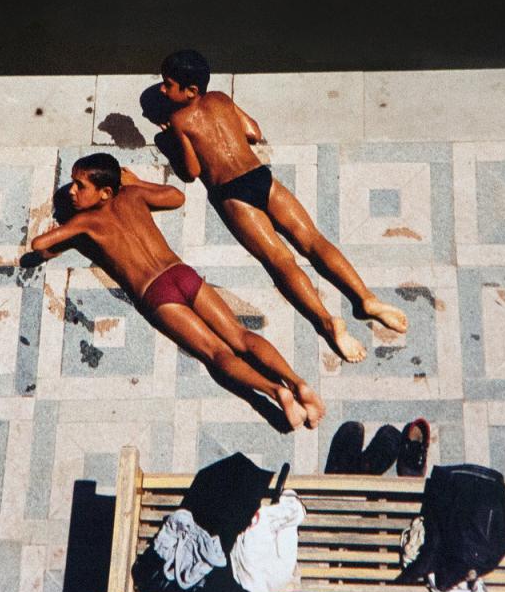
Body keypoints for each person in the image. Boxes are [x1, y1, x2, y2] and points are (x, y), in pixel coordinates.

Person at [27, 153, 324, 430]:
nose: (71, 192)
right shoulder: (133, 195)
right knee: (241, 336)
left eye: (80, 186)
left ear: (105, 192)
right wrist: (135, 182)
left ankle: (276, 392)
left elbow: (39, 245)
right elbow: (176, 197)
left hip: (155, 292)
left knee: (216, 352)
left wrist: (71, 232)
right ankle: (298, 384)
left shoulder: (85, 222)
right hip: (181, 274)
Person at [157, 49, 407, 363]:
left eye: (168, 85)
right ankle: (367, 299)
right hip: (261, 178)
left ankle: (329, 323)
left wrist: (172, 140)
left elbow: (191, 172)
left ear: (190, 91)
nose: (163, 91)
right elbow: (254, 132)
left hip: (232, 192)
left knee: (281, 261)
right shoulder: (220, 98)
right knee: (314, 241)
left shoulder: (179, 119)